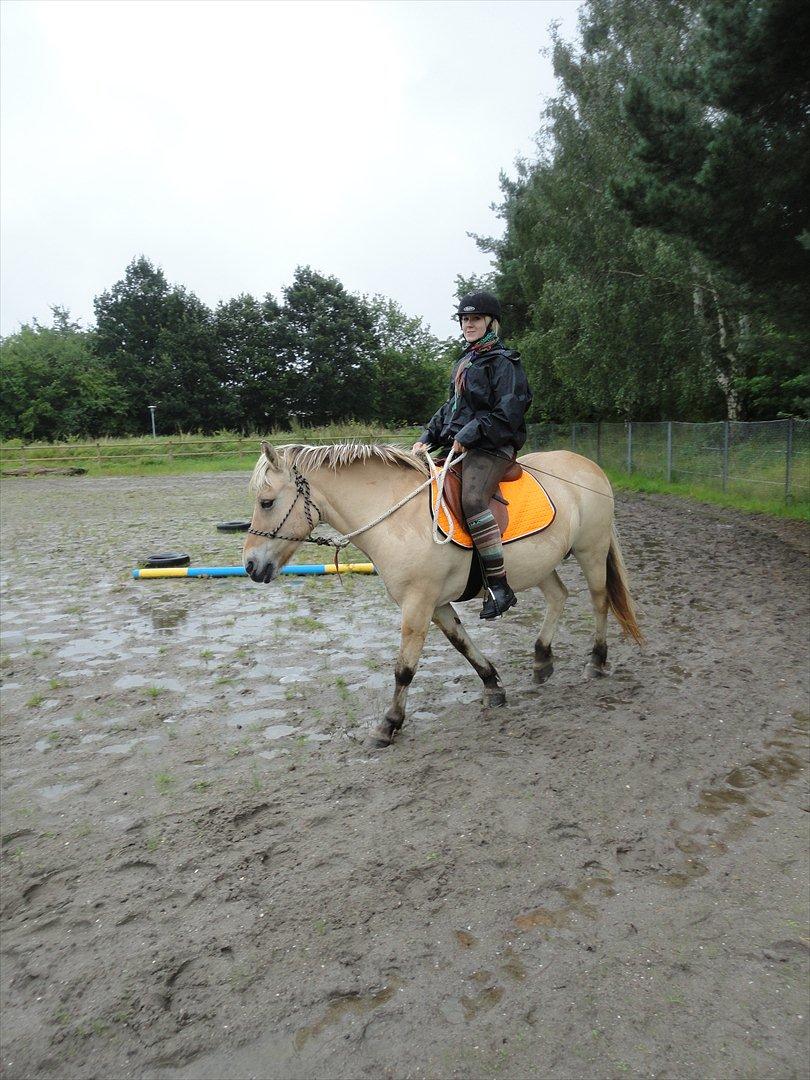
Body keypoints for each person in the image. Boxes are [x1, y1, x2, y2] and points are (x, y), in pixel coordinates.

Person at [413, 291, 533, 618]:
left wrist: (470, 434)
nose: (469, 324)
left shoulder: (505, 362)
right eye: (465, 319)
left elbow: (509, 411)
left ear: (491, 323)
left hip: (494, 444)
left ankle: (499, 585)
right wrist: (428, 436)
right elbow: (451, 408)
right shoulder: (465, 362)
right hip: (464, 442)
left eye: (475, 319)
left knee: (473, 499)